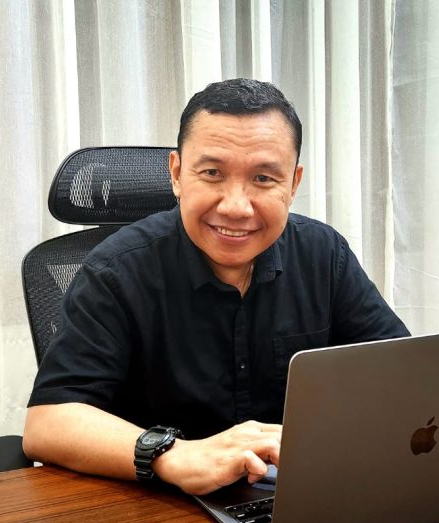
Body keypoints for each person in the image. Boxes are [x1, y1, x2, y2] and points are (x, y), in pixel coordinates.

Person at [23, 78, 409, 495]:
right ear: (176, 174)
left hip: (295, 495)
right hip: (159, 501)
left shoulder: (323, 253)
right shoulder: (115, 271)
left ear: (293, 184)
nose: (236, 207)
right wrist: (174, 455)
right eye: (212, 173)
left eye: (264, 178)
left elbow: (404, 377)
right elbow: (48, 424)